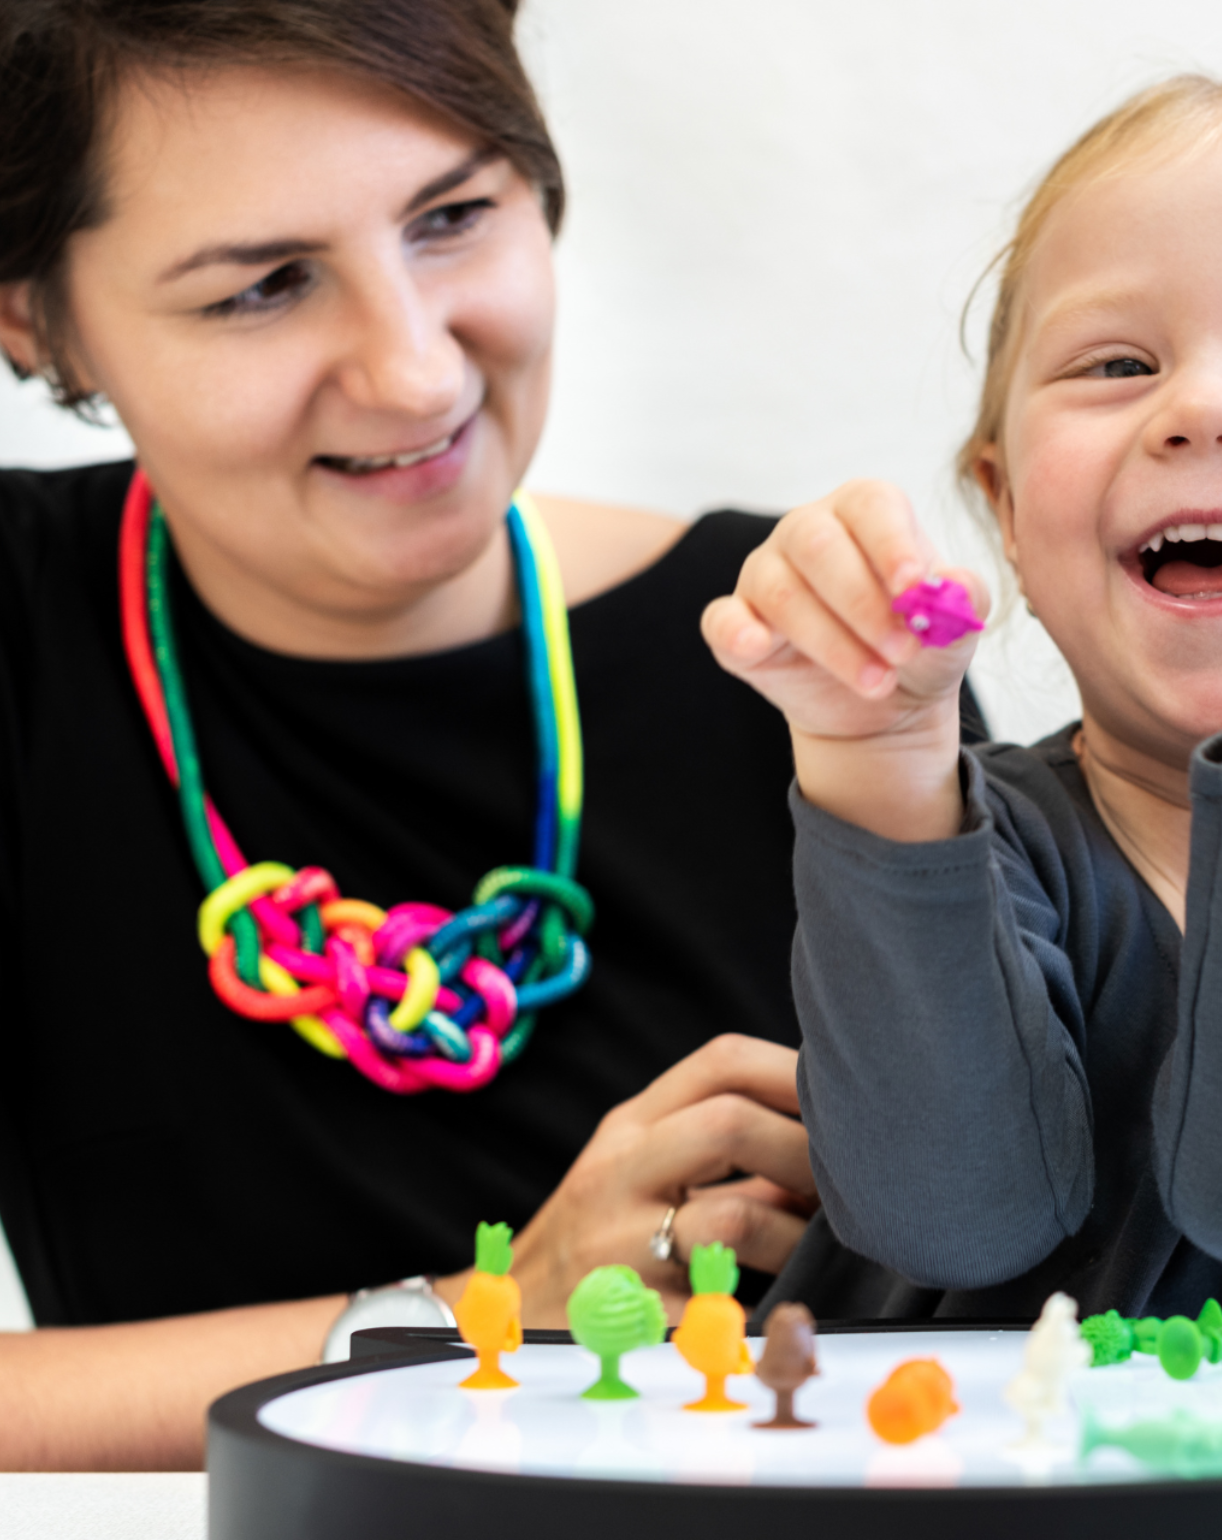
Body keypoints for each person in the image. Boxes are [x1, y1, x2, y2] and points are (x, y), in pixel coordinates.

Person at [0, 0, 990, 1469]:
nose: (413, 372)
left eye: (453, 217)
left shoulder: (802, 660)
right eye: (265, 286)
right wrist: (483, 1317)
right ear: (36, 318)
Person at [707, 68, 1222, 1332]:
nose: (1204, 410)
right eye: (1117, 363)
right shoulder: (969, 838)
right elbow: (944, 1214)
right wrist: (875, 748)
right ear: (1004, 509)